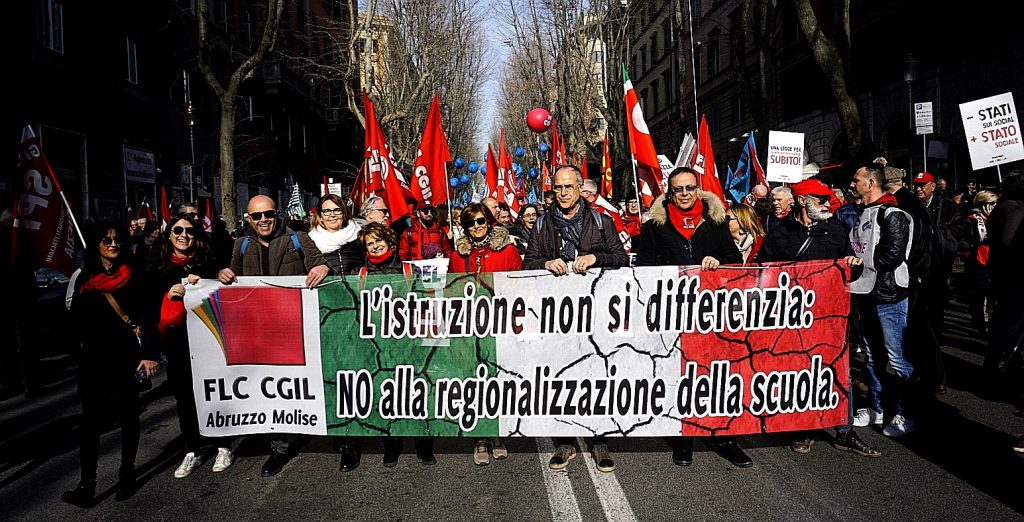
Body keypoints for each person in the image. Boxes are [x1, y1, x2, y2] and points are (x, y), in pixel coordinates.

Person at [633, 167, 750, 468]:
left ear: (697, 189)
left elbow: (735, 260)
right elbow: (643, 268)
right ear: (669, 192)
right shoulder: (654, 226)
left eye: (689, 188)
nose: (684, 194)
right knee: (678, 374)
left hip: (711, 312)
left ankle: (724, 438)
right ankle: (684, 438)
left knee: (717, 375)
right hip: (673, 311)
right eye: (678, 189)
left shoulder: (716, 221)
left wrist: (718, 260)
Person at [758, 179, 881, 457]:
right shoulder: (780, 234)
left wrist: (854, 264)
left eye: (827, 199)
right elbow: (765, 272)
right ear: (802, 201)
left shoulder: (836, 231)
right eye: (821, 199)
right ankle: (805, 429)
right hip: (795, 318)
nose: (828, 204)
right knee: (801, 372)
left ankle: (844, 430)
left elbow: (850, 268)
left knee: (840, 372)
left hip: (831, 317)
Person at [524, 164, 628, 473]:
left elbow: (621, 259)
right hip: (556, 317)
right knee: (561, 376)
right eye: (558, 187)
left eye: (569, 187)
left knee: (597, 376)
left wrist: (597, 258)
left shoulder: (601, 221)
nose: (563, 193)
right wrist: (545, 263)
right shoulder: (541, 224)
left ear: (580, 189)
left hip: (596, 314)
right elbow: (528, 264)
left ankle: (600, 441)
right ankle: (565, 441)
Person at [216, 195, 330, 477]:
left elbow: (321, 263)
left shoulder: (298, 239)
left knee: (303, 383)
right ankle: (279, 448)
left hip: (295, 327)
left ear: (277, 214)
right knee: (272, 388)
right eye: (256, 216)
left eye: (268, 214)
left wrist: (322, 267)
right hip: (260, 331)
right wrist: (224, 274)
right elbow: (233, 279)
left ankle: (323, 430)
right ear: (248, 219)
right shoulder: (241, 244)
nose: (263, 220)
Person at [63, 221, 160, 507]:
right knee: (90, 424)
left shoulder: (136, 275)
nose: (113, 244)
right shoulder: (85, 278)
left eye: (118, 240)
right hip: (94, 361)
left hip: (127, 357)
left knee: (129, 418)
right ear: (97, 245)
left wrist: (149, 354)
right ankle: (87, 484)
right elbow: (75, 320)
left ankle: (127, 474)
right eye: (107, 240)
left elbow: (148, 317)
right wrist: (75, 351)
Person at [146, 213, 235, 479]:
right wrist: (169, 296)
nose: (183, 235)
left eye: (189, 231)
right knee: (185, 398)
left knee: (215, 393)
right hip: (178, 346)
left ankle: (223, 445)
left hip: (210, 344)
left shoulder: (209, 263)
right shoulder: (157, 270)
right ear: (169, 236)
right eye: (177, 230)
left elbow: (224, 294)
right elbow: (149, 312)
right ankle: (192, 449)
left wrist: (216, 277)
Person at [357, 223, 437, 466]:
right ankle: (392, 443)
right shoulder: (362, 274)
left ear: (389, 242)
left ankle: (423, 444)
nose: (375, 246)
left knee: (418, 392)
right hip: (381, 346)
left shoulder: (408, 269)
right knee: (387, 394)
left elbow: (426, 299)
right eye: (370, 243)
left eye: (378, 240)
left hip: (410, 343)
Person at [449, 203, 521, 465]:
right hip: (470, 325)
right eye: (470, 223)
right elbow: (452, 289)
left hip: (499, 324)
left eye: (480, 221)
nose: (476, 226)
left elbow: (519, 285)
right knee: (473, 380)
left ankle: (497, 432)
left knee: (497, 379)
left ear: (489, 222)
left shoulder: (508, 250)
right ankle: (479, 435)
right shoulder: (458, 255)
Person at [848, 162, 917, 437]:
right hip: (866, 293)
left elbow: (892, 255)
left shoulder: (893, 214)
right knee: (872, 356)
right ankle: (876, 407)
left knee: (897, 359)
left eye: (856, 180)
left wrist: (859, 263)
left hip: (889, 296)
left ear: (871, 183)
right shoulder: (862, 212)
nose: (852, 184)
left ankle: (905, 413)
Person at [963, 191, 998, 337]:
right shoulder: (972, 220)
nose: (994, 206)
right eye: (992, 204)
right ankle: (980, 323)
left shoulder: (998, 218)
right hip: (977, 261)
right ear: (982, 205)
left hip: (994, 261)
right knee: (979, 294)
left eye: (996, 203)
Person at [309, 194, 364, 276]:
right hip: (327, 284)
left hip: (357, 283)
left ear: (344, 214)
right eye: (327, 211)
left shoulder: (359, 236)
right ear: (320, 216)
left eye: (337, 210)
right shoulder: (310, 242)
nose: (332, 215)